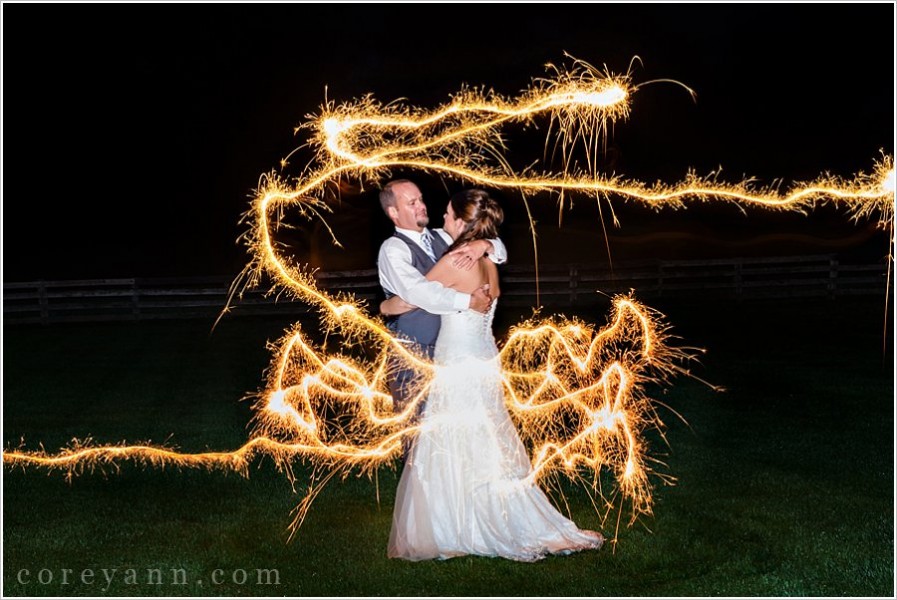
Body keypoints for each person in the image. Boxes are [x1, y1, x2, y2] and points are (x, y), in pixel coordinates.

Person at [382, 189, 605, 562]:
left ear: (461, 223)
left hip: (459, 362)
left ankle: (460, 524)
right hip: (483, 357)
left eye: (449, 215)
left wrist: (384, 304)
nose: (441, 219)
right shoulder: (486, 262)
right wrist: (483, 242)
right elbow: (493, 250)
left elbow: (414, 296)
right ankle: (495, 513)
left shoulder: (456, 260)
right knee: (485, 440)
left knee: (458, 439)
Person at [377, 179, 506, 456]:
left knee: (450, 436)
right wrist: (468, 301)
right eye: (411, 203)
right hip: (415, 351)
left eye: (421, 199)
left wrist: (484, 244)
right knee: (420, 434)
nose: (422, 205)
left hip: (451, 352)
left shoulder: (444, 238)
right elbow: (418, 292)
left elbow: (489, 238)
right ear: (394, 213)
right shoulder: (393, 249)